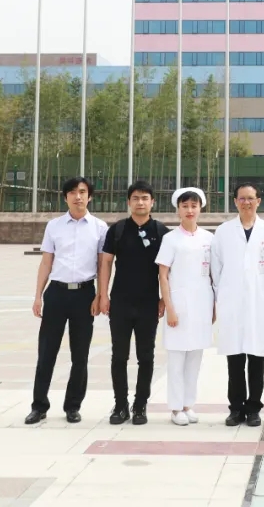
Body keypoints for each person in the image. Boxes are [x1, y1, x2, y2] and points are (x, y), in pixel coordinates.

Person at [25, 176, 107, 425]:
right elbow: (46, 262)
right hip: (57, 294)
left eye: (82, 192)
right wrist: (38, 295)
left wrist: (101, 295)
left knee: (80, 354)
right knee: (46, 352)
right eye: (72, 192)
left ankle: (73, 406)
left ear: (89, 196)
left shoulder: (100, 228)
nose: (77, 196)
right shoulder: (54, 226)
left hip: (84, 295)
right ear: (65, 197)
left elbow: (103, 265)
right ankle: (39, 406)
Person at [211, 182, 264, 428]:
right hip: (232, 302)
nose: (246, 202)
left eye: (251, 198)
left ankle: (253, 408)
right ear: (235, 202)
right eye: (241, 198)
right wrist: (222, 295)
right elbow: (216, 267)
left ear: (259, 201)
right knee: (234, 358)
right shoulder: (223, 231)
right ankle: (235, 409)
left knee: (256, 357)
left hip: (260, 302)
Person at [97, 180, 169, 426]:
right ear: (128, 202)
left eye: (145, 198)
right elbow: (106, 263)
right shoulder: (117, 230)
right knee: (119, 355)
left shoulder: (162, 232)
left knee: (146, 356)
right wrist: (103, 295)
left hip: (149, 303)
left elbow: (168, 270)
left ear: (152, 202)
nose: (140, 202)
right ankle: (120, 405)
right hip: (120, 302)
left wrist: (164, 299)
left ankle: (140, 405)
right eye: (136, 198)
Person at [156, 187, 216, 426]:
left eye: (194, 206)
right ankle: (175, 408)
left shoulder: (209, 238)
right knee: (177, 358)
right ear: (178, 210)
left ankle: (188, 404)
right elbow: (163, 275)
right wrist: (169, 308)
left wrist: (214, 308)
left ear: (200, 208)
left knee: (195, 357)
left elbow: (212, 275)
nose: (190, 210)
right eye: (185, 206)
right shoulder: (170, 239)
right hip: (179, 304)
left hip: (202, 303)